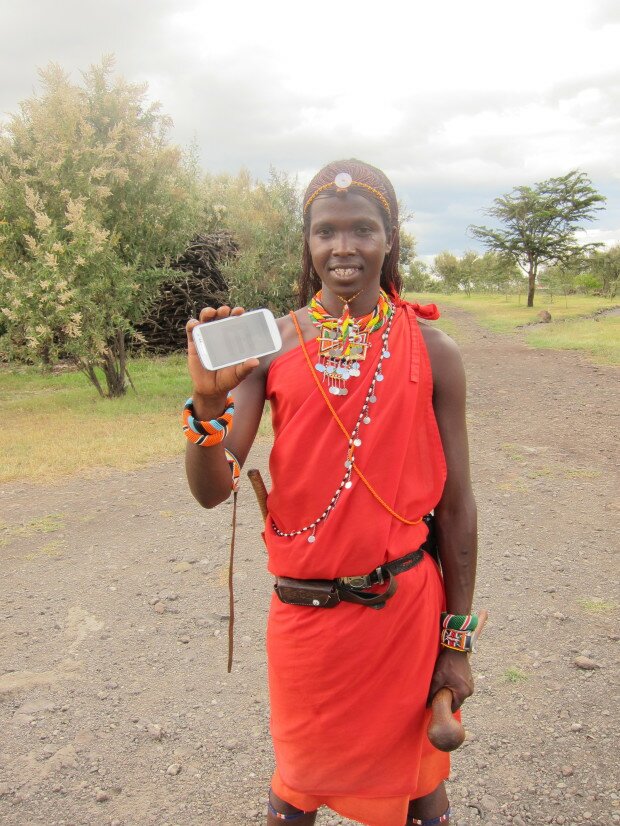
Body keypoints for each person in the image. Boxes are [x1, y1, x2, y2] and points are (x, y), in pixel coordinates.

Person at [184, 159, 477, 826]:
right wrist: (205, 409)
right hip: (306, 625)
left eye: (363, 229)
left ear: (391, 238)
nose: (343, 247)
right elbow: (212, 489)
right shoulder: (270, 346)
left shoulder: (435, 351)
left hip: (404, 622)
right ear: (308, 243)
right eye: (326, 232)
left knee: (419, 794)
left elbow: (458, 509)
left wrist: (455, 646)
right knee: (294, 792)